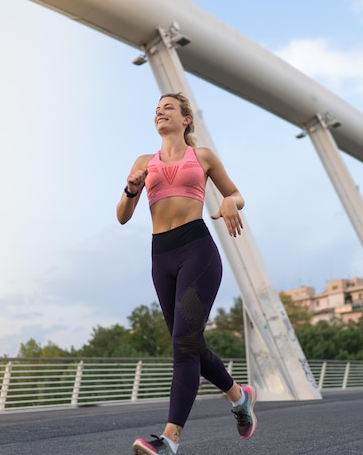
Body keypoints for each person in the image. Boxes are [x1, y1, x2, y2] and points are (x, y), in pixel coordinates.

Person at [117, 92, 257, 455]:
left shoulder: (203, 156)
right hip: (161, 257)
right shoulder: (144, 162)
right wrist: (130, 190)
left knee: (183, 343)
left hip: (197, 252)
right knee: (191, 343)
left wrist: (228, 201)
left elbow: (237, 195)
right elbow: (122, 215)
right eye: (156, 109)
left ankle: (169, 437)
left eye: (168, 108)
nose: (160, 112)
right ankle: (240, 397)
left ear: (185, 120)